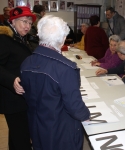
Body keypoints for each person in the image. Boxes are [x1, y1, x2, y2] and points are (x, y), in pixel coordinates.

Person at [20, 15, 90, 150]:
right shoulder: (66, 68)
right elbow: (74, 106)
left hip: (36, 125)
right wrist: (86, 115)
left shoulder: (26, 63)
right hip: (61, 131)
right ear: (63, 39)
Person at [0, 6, 36, 150]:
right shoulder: (4, 39)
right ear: (13, 21)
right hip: (12, 99)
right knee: (22, 139)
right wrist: (11, 79)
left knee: (17, 136)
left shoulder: (20, 38)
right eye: (24, 22)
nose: (27, 26)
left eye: (29, 23)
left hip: (21, 97)